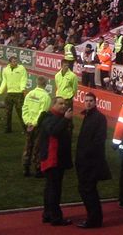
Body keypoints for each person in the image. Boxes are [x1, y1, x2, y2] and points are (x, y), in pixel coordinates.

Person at [75, 92, 111, 229]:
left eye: (91, 101)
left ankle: (94, 220)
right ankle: (93, 218)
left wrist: (86, 154)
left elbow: (99, 140)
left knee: (88, 190)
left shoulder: (99, 118)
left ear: (95, 102)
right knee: (87, 190)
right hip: (86, 161)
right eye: (86, 100)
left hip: (91, 162)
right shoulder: (88, 116)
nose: (88, 103)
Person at [39, 96, 73, 226]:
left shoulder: (55, 117)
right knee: (54, 189)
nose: (63, 106)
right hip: (52, 159)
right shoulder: (50, 118)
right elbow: (54, 132)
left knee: (50, 188)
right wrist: (65, 120)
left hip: (54, 159)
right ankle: (55, 217)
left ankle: (47, 214)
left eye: (64, 103)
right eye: (60, 103)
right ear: (53, 105)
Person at [22, 76, 52, 177]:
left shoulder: (30, 94)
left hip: (29, 124)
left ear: (36, 83)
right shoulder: (46, 97)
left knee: (28, 146)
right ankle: (38, 169)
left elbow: (25, 108)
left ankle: (26, 168)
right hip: (39, 126)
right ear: (46, 85)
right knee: (37, 147)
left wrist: (28, 122)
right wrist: (35, 123)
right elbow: (42, 113)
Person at [0, 55, 28, 133]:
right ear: (10, 62)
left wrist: (22, 88)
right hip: (10, 93)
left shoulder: (21, 68)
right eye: (14, 61)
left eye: (16, 61)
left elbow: (24, 79)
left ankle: (26, 129)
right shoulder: (5, 70)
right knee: (7, 112)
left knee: (21, 113)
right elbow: (4, 80)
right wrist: (0, 90)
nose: (15, 63)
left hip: (19, 94)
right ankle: (7, 129)